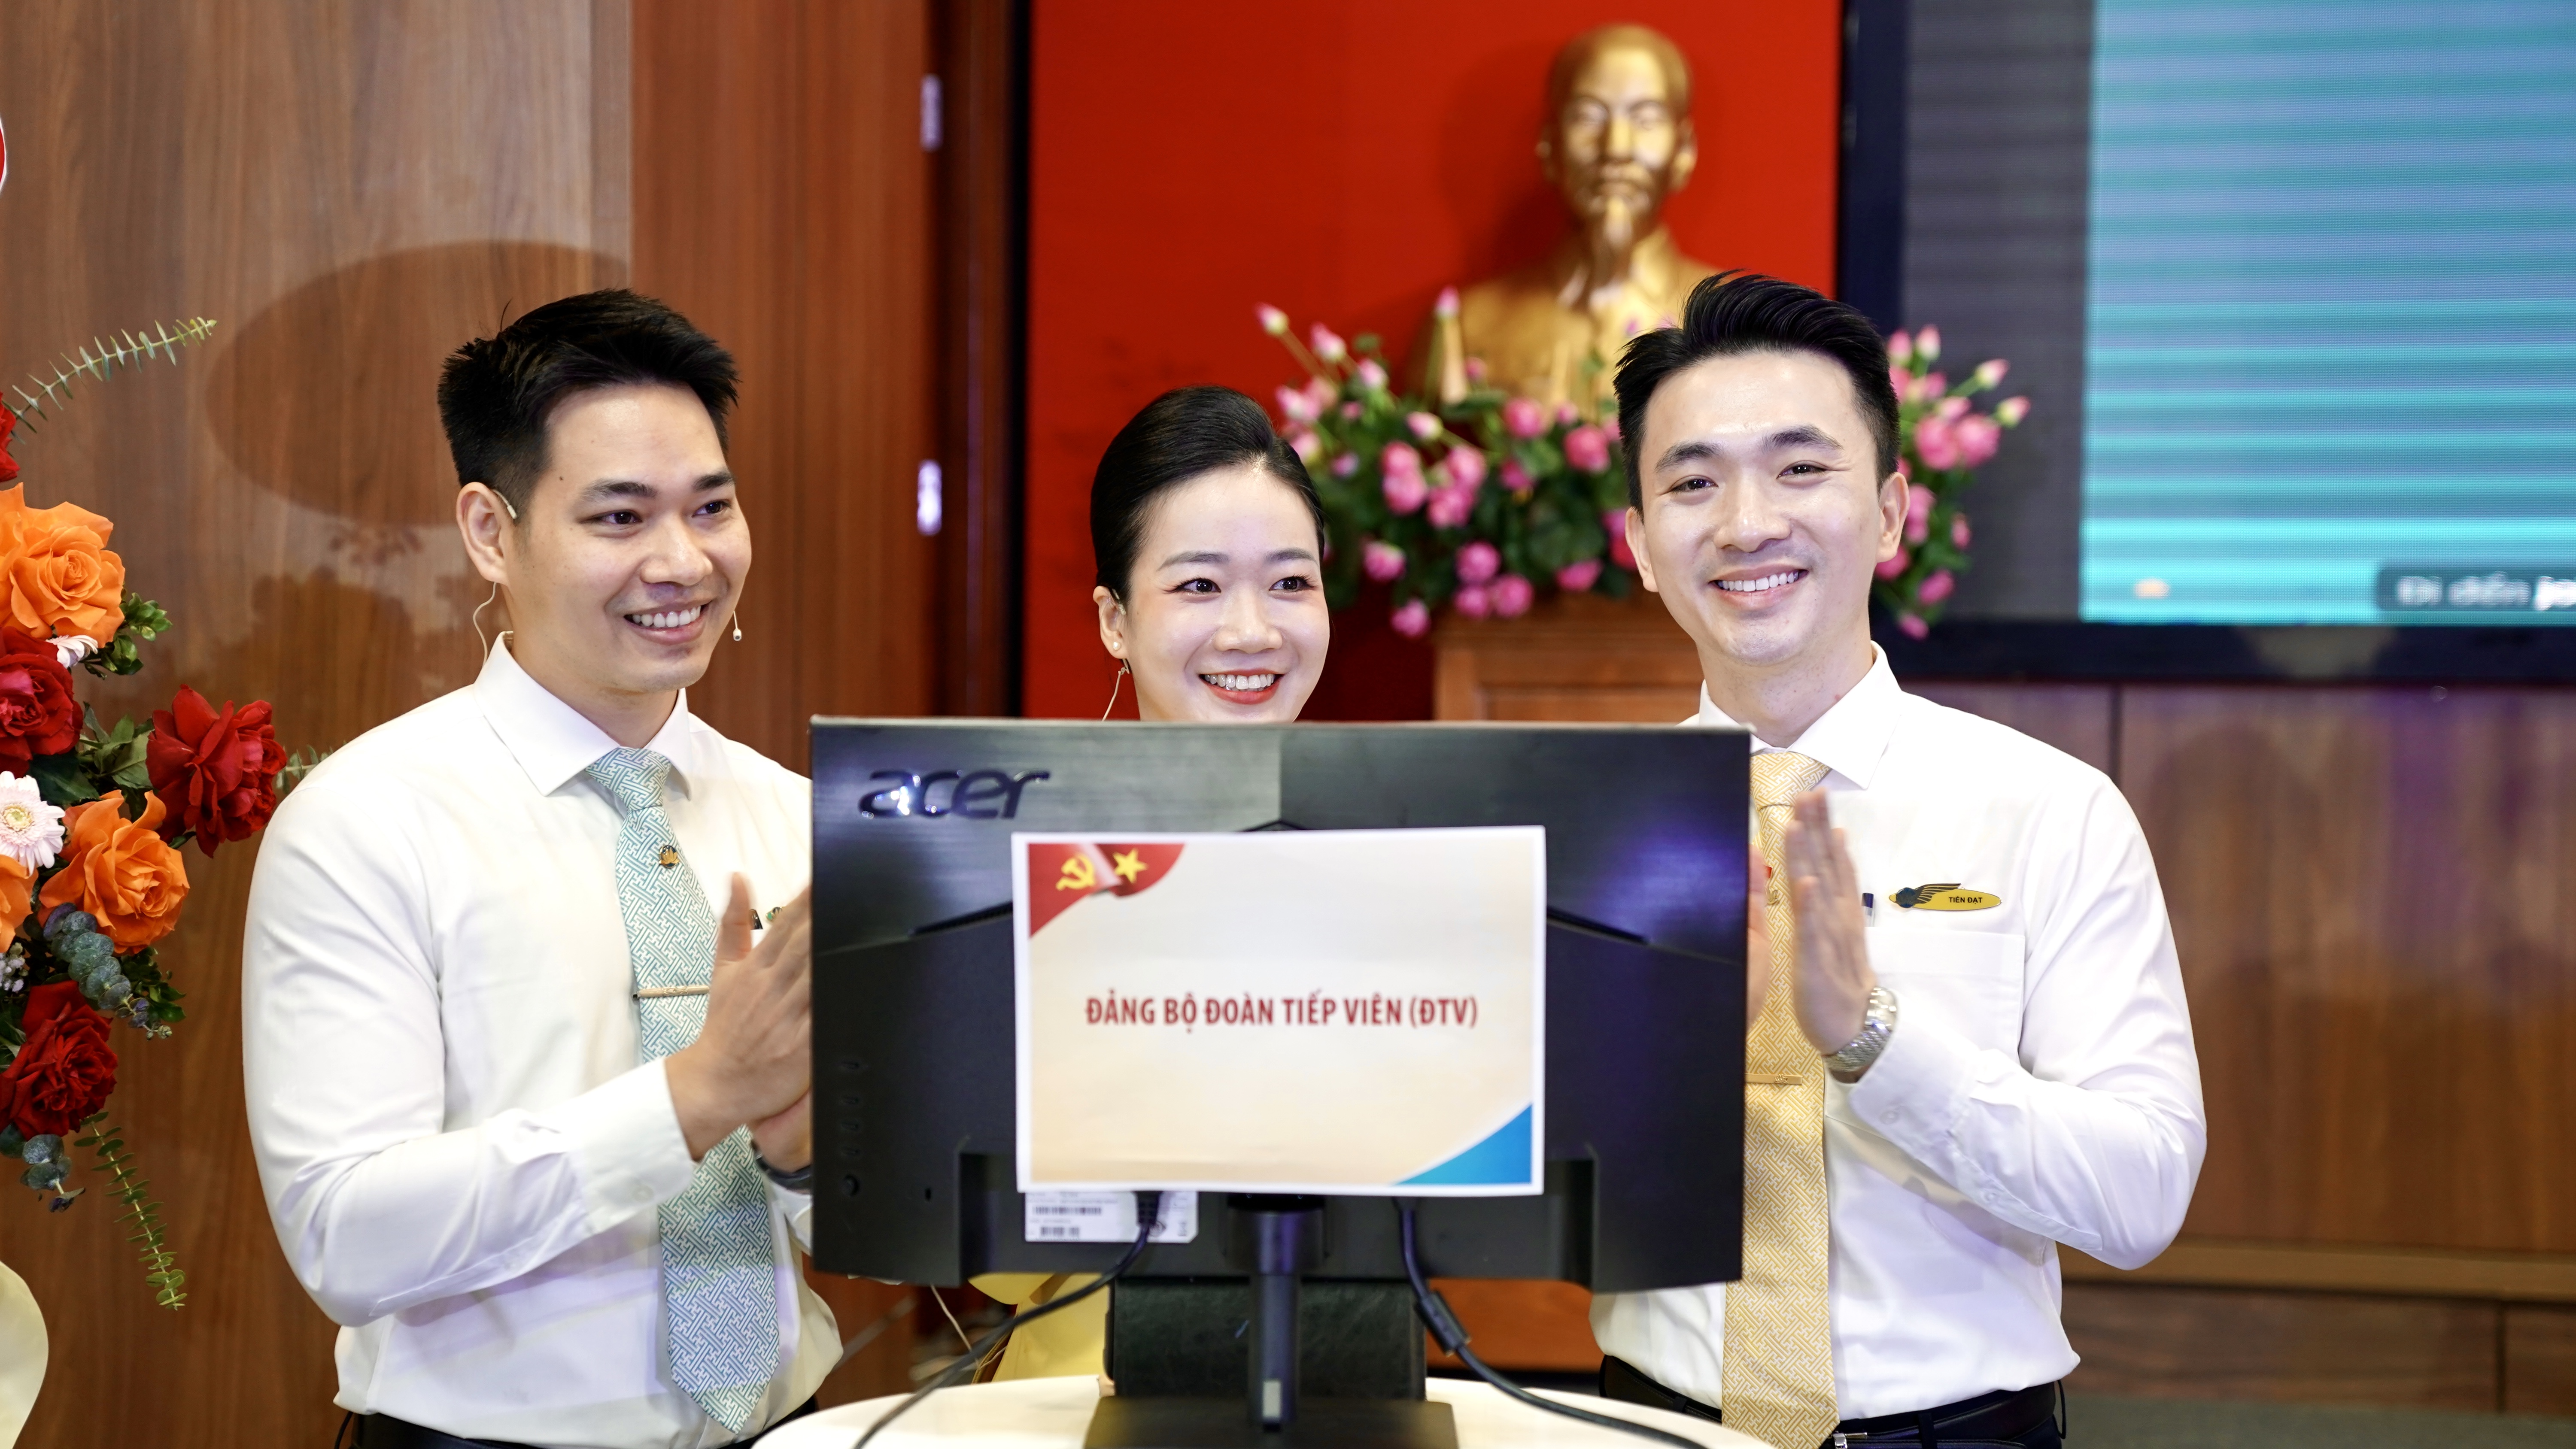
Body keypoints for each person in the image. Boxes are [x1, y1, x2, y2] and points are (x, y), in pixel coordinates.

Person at [1589, 273, 2204, 1449]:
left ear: (1889, 513)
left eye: (1799, 468)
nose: (1746, 523)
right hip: (1646, 1424)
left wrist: (1874, 1040)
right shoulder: (1589, 825)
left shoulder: (2051, 811)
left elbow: (2142, 1196)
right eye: (1692, 482)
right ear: (1642, 546)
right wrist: (1656, 1067)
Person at [243, 291, 829, 1448]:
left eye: (712, 508)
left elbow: (877, 1229)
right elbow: (346, 1236)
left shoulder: (798, 816)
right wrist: (692, 1098)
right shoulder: (366, 823)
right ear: (489, 530)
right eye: (620, 517)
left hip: (790, 1425)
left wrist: (808, 1156)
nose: (683, 561)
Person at [968, 385, 1331, 1378]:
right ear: (1114, 620)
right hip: (1078, 1390)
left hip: (1336, 1377)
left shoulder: (1397, 865)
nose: (1252, 629)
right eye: (1200, 585)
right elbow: (988, 1252)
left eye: (1290, 582)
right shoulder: (1028, 873)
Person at [1419, 22, 1718, 407]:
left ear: (1685, 151)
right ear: (1549, 147)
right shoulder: (1466, 327)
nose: (1616, 149)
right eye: (1588, 117)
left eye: (1646, 120)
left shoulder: (1744, 324)